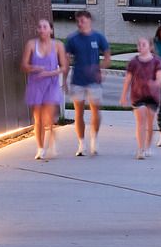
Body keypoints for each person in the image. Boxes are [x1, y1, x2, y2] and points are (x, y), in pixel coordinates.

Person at [63, 9, 111, 156]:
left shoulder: (98, 37)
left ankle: (94, 140)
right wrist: (64, 80)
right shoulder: (72, 39)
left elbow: (107, 57)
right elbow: (66, 60)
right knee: (79, 112)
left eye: (82, 21)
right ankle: (81, 144)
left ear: (89, 20)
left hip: (93, 81)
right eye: (78, 21)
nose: (80, 24)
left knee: (96, 110)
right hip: (77, 80)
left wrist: (99, 69)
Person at [20, 18, 64, 161]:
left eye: (45, 27)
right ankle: (40, 148)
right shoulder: (31, 45)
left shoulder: (58, 45)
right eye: (40, 27)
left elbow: (64, 67)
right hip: (36, 84)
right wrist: (35, 68)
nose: (42, 29)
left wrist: (50, 73)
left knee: (49, 117)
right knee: (38, 118)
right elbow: (24, 66)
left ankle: (52, 141)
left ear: (51, 30)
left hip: (51, 83)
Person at [122, 37, 161, 159]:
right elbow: (128, 79)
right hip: (137, 96)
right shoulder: (133, 62)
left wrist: (155, 83)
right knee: (140, 122)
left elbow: (160, 78)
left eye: (144, 44)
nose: (141, 47)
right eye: (139, 44)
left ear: (150, 47)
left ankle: (147, 147)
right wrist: (123, 95)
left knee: (150, 124)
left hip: (152, 96)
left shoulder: (157, 61)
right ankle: (140, 149)